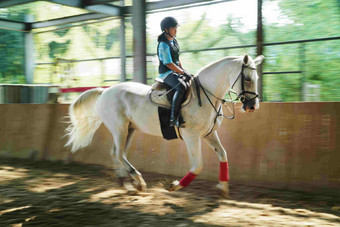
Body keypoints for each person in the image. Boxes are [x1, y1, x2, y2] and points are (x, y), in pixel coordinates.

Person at [157, 16, 191, 128]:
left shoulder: (174, 41)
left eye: (176, 28)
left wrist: (184, 71)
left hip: (175, 71)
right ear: (166, 30)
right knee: (181, 87)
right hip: (166, 73)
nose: (176, 30)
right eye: (173, 28)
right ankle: (173, 118)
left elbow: (177, 59)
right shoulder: (163, 44)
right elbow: (169, 63)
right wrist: (181, 72)